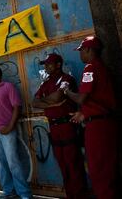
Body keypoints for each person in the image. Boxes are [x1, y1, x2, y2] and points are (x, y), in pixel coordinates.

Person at [62, 36, 118, 199]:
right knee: (108, 169)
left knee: (99, 170)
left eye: (81, 51)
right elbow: (100, 100)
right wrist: (85, 113)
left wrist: (66, 91)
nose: (80, 55)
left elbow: (81, 98)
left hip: (99, 128)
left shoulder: (90, 68)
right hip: (105, 123)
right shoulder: (102, 68)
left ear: (88, 50)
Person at [32, 53, 87, 199]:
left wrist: (50, 101)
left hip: (67, 126)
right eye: (45, 64)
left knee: (73, 164)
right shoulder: (46, 83)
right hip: (54, 128)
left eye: (49, 64)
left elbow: (58, 96)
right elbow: (34, 102)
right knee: (63, 166)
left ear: (58, 65)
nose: (46, 67)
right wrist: (53, 103)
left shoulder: (66, 79)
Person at [0, 66, 31, 199]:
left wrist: (11, 126)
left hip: (6, 129)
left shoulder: (8, 87)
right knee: (1, 161)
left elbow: (17, 106)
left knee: (13, 161)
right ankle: (8, 189)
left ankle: (24, 193)